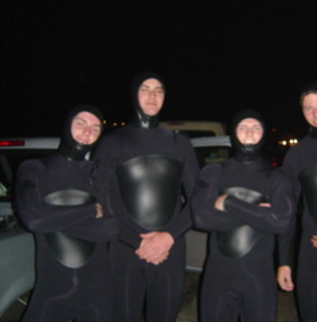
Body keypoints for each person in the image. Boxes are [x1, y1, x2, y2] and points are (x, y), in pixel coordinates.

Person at [93, 71, 199, 322]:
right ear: (134, 95)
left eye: (158, 90)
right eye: (145, 89)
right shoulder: (112, 142)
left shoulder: (179, 143)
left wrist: (169, 236)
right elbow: (104, 200)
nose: (152, 96)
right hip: (125, 249)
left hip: (170, 249)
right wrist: (136, 242)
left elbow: (198, 198)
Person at [15, 105, 118, 322]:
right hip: (52, 291)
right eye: (81, 123)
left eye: (95, 128)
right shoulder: (35, 169)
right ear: (67, 125)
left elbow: (111, 228)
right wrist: (90, 210)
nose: (87, 132)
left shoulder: (100, 173)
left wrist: (52, 218)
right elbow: (33, 219)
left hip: (98, 291)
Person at [191, 109, 294, 322]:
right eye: (243, 127)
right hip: (217, 277)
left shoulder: (277, 176)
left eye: (256, 128)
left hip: (258, 278)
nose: (249, 133)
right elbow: (201, 218)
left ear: (264, 134)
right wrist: (261, 212)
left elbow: (282, 222)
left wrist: (228, 202)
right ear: (233, 134)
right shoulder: (213, 172)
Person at [277, 82, 317, 322]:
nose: (316, 113)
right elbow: (286, 213)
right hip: (313, 250)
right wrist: (283, 262)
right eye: (308, 108)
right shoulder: (297, 154)